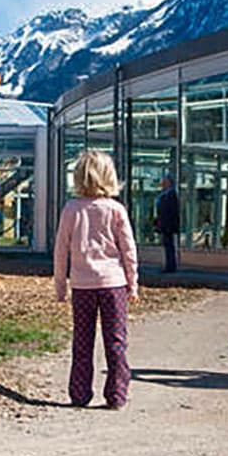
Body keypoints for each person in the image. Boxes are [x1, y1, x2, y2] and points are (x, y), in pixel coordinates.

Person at [53, 150, 138, 410]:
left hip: (82, 284)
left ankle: (79, 394)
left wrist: (60, 286)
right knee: (116, 341)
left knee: (82, 341)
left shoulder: (71, 209)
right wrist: (132, 283)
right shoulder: (116, 210)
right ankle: (116, 395)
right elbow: (128, 250)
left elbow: (60, 249)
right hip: (113, 283)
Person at [154, 172, 180, 273]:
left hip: (168, 226)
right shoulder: (164, 194)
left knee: (170, 246)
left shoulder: (171, 194)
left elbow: (172, 212)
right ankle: (169, 265)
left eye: (164, 181)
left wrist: (172, 225)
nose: (162, 183)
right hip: (164, 225)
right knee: (167, 246)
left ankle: (171, 266)